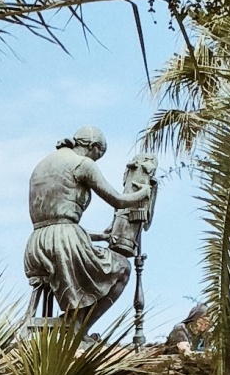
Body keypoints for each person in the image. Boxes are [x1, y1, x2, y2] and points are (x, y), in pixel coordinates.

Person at [22, 131, 155, 327]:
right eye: (98, 155)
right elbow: (118, 201)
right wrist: (144, 192)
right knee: (123, 268)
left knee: (96, 261)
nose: (96, 160)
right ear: (93, 146)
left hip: (36, 245)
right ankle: (77, 329)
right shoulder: (82, 164)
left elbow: (58, 221)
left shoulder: (42, 165)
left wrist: (101, 235)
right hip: (63, 245)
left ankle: (70, 323)